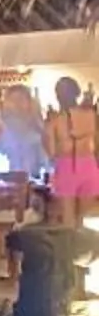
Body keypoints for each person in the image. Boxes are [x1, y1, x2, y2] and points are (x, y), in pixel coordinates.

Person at [44, 77, 99, 217]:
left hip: (66, 167)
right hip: (89, 166)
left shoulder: (55, 121)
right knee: (86, 221)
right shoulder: (92, 116)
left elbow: (51, 152)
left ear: (58, 96)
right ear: (77, 93)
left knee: (68, 223)